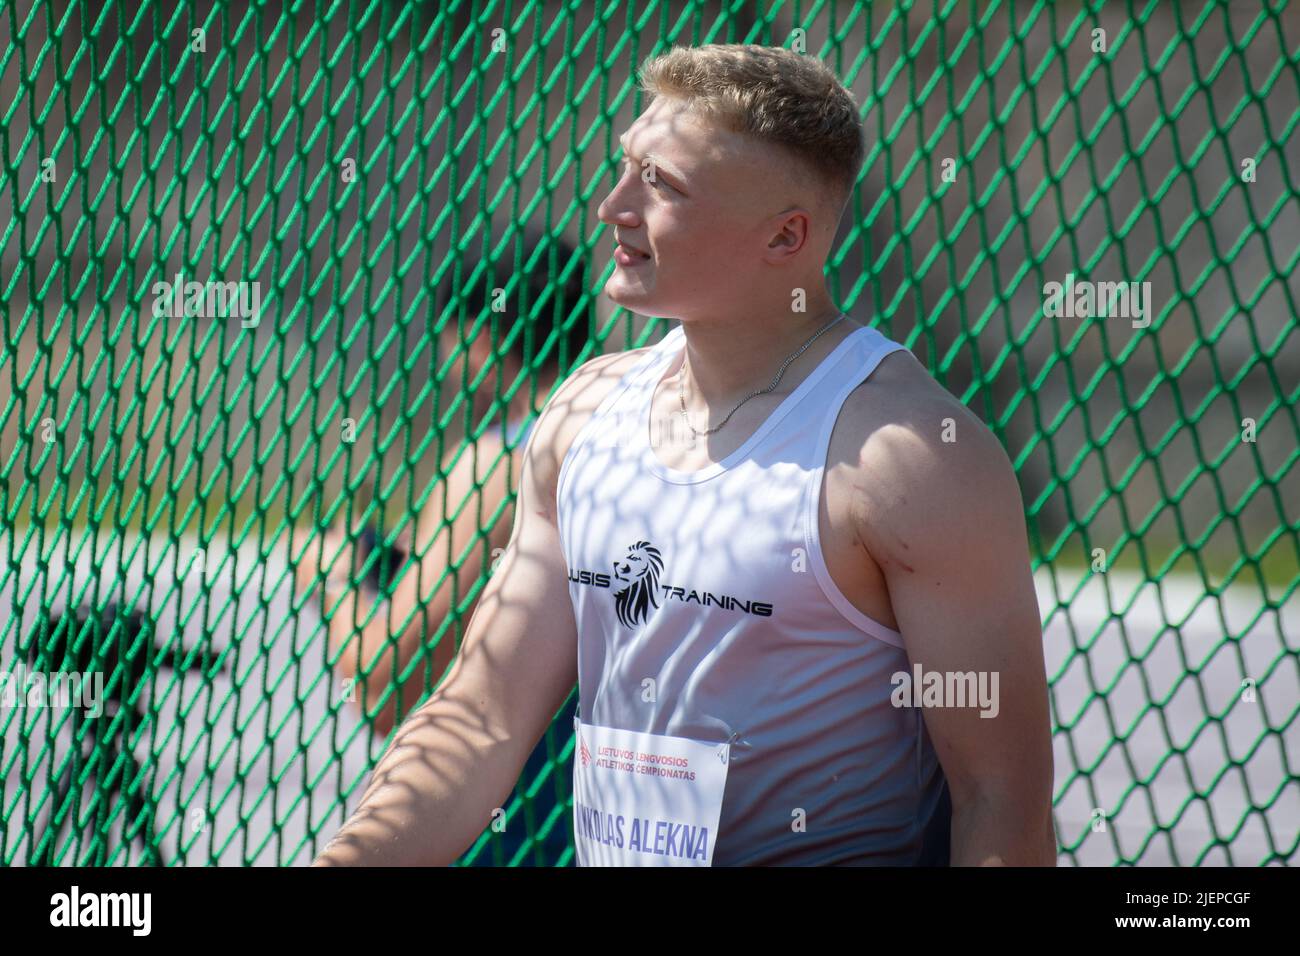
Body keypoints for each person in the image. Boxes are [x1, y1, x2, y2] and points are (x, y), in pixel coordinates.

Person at [314, 43, 1054, 867]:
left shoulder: (909, 461)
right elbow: (481, 716)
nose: (611, 207)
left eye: (660, 183)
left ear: (785, 237)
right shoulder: (585, 413)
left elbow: (1001, 806)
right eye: (626, 167)